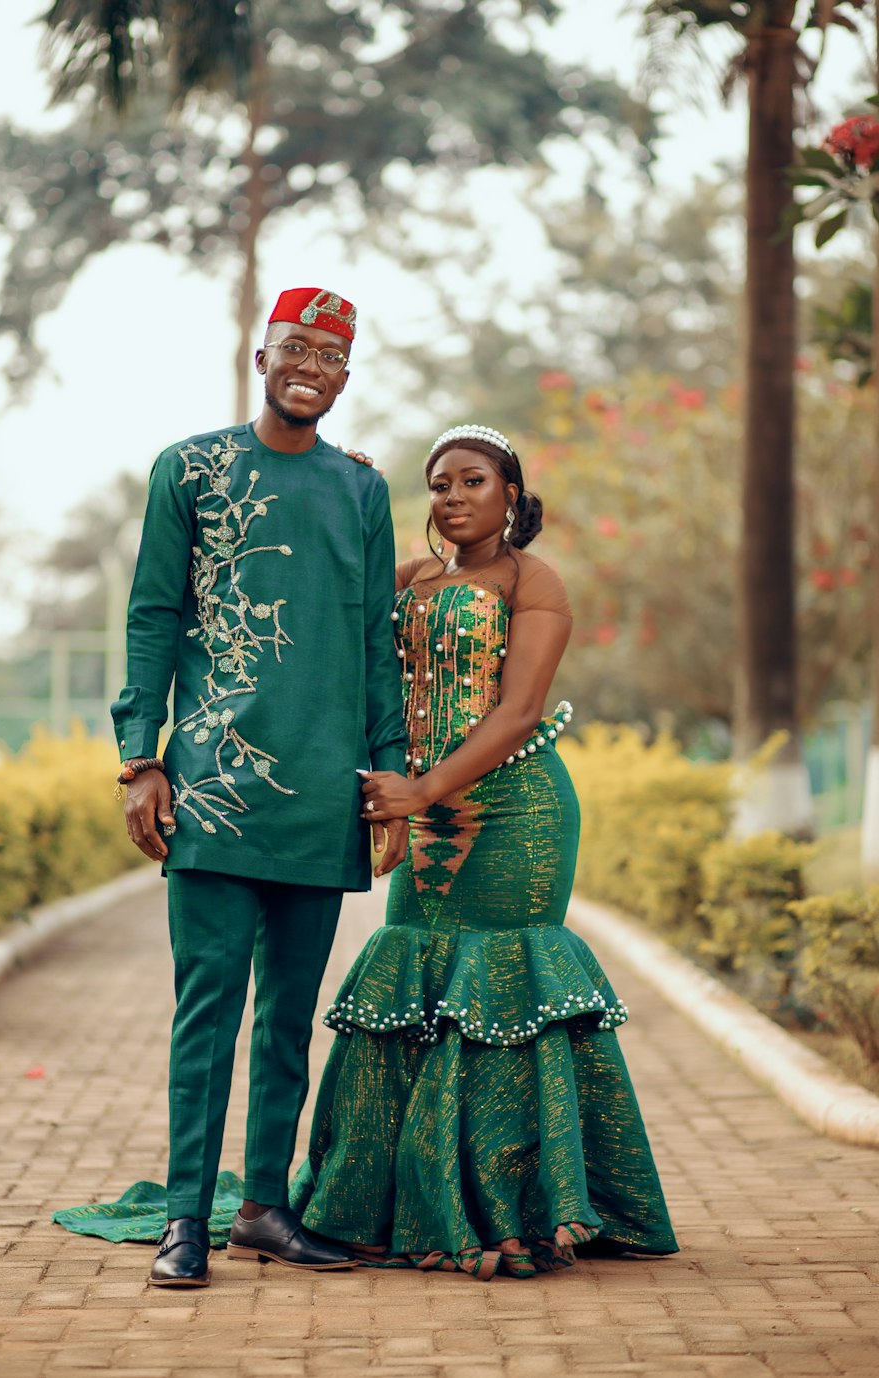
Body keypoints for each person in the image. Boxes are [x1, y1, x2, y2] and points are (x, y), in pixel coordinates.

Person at [54, 288, 409, 1287]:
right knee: (206, 1011)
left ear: (345, 376)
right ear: (263, 357)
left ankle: (262, 1206)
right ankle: (183, 1219)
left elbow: (379, 645)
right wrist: (141, 756)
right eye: (295, 346)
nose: (311, 365)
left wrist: (389, 768)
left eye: (331, 354)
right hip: (211, 788)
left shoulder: (363, 492)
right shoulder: (192, 468)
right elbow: (152, 617)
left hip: (323, 795)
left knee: (290, 1015)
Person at [290, 423, 679, 1279]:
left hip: (517, 814)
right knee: (411, 987)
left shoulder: (534, 582)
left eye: (472, 481)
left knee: (500, 998)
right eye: (438, 485)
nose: (453, 497)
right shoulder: (410, 579)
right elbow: (331, 603)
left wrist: (421, 792)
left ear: (510, 493)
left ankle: (511, 1213)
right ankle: (389, 1208)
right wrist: (336, 487)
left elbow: (518, 713)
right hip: (425, 820)